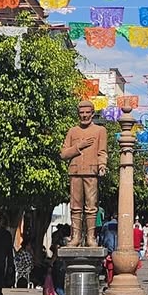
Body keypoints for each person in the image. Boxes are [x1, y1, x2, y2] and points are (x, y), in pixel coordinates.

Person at [59, 101, 108, 246]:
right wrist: (78, 146)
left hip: (91, 172)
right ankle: (75, 237)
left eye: (87, 112)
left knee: (91, 206)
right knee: (75, 206)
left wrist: (102, 165)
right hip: (75, 171)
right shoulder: (72, 131)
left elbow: (102, 152)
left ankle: (91, 237)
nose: (84, 115)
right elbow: (63, 154)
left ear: (92, 113)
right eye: (82, 112)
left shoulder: (100, 131)